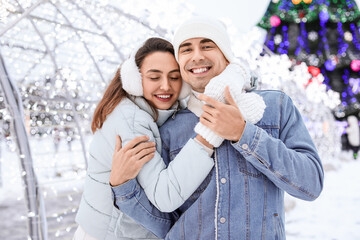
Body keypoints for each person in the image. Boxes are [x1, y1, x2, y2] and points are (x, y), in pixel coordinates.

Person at [111, 16, 324, 239]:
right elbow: (166, 222)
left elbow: (311, 184)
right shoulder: (169, 127)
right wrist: (122, 186)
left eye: (207, 45)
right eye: (186, 49)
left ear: (225, 53)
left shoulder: (274, 107)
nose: (197, 56)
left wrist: (244, 134)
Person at [74, 37, 218, 240]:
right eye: (154, 77)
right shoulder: (132, 121)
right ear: (136, 80)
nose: (166, 86)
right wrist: (207, 138)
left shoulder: (151, 112)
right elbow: (165, 196)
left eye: (174, 77)